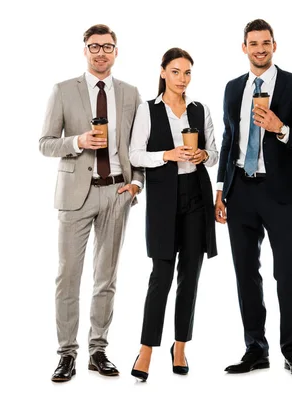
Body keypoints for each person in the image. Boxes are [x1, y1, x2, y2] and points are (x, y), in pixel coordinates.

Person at [39, 24, 143, 382]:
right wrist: (78, 141)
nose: (101, 53)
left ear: (117, 51)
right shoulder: (64, 90)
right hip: (74, 195)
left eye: (108, 47)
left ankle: (98, 349)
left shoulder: (130, 94)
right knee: (68, 276)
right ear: (84, 49)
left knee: (106, 276)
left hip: (116, 192)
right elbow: (45, 142)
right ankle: (66, 353)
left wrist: (136, 184)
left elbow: (137, 147)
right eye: (94, 46)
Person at [215, 19, 292, 377]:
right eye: (253, 43)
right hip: (240, 190)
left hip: (280, 192)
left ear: (275, 45)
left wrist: (279, 128)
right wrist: (220, 190)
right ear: (244, 47)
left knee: (286, 272)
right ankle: (255, 347)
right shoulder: (232, 88)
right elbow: (229, 141)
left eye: (266, 43)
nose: (260, 49)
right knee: (245, 272)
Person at [128, 47, 218, 381]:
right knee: (161, 276)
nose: (182, 79)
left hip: (196, 195)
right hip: (165, 199)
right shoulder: (147, 110)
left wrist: (203, 154)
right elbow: (136, 154)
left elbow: (214, 154)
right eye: (176, 72)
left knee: (190, 276)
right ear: (163, 72)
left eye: (188, 73)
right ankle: (146, 349)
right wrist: (167, 154)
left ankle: (180, 346)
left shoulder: (200, 109)